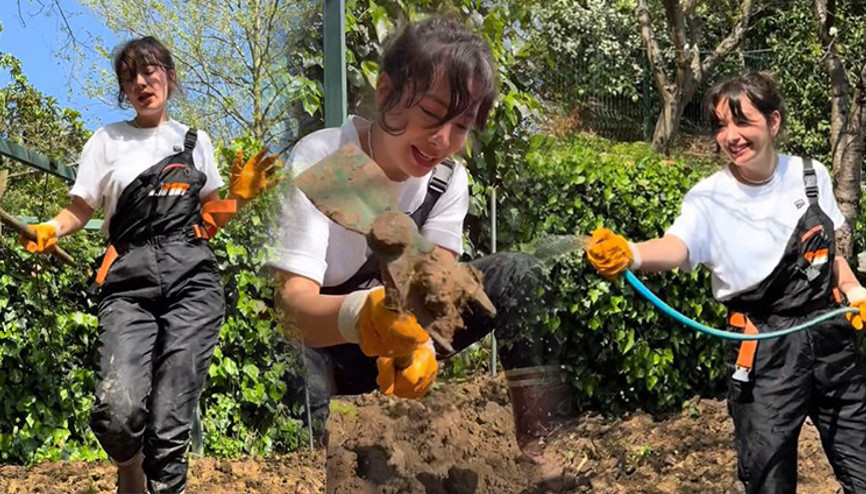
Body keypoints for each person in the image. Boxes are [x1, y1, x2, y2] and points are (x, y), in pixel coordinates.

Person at [270, 16, 571, 473]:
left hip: (401, 345)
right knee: (302, 398)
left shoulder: (448, 180)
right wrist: (362, 316)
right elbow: (291, 311)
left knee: (518, 274)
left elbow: (437, 292)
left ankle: (538, 454)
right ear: (387, 91)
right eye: (432, 114)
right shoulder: (325, 158)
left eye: (462, 125)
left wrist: (423, 346)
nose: (442, 141)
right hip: (328, 349)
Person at [586, 71, 866, 493]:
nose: (730, 136)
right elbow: (678, 246)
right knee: (768, 482)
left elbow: (829, 254)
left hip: (831, 340)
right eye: (721, 125)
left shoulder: (812, 176)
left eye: (743, 122)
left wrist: (852, 287)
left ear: (773, 123)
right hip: (764, 355)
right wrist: (633, 252)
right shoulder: (708, 198)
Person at [19, 36, 275, 494]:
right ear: (123, 89)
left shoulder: (194, 142)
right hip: (128, 283)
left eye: (150, 71)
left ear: (169, 77)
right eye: (129, 76)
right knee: (117, 414)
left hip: (192, 280)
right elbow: (79, 210)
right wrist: (49, 228)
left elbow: (208, 220)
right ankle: (128, 466)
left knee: (170, 419)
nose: (141, 82)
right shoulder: (106, 141)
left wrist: (237, 197)